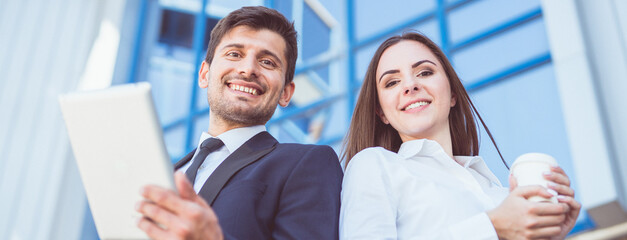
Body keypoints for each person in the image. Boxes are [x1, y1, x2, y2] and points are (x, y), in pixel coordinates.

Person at [339, 32, 580, 239]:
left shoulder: (499, 194)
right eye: (392, 82)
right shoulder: (374, 165)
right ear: (382, 113)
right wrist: (493, 226)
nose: (410, 85)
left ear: (453, 93)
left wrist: (547, 233)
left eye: (424, 72)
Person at [135, 6, 343, 240]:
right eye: (234, 54)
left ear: (286, 92)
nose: (247, 69)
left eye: (267, 62)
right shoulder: (164, 175)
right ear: (204, 74)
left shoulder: (308, 164)